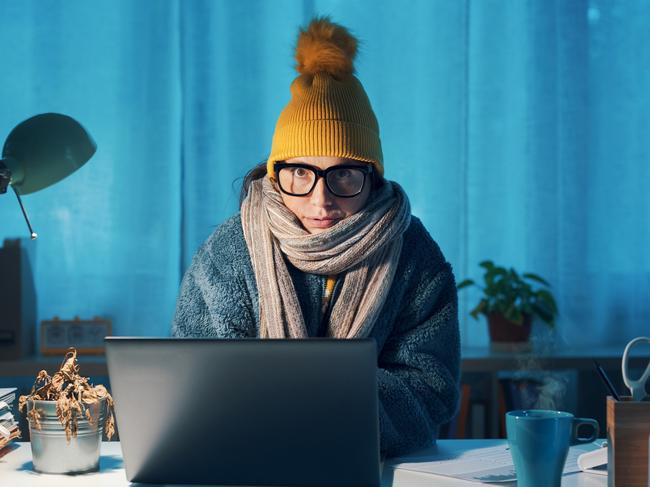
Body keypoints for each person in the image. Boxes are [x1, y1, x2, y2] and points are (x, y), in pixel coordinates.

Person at [171, 16, 460, 457]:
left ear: (374, 177)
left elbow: (430, 392)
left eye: (343, 174)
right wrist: (332, 393)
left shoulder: (415, 256)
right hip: (244, 463)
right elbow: (193, 377)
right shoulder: (230, 252)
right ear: (276, 174)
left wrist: (302, 399)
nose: (320, 199)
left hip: (372, 466)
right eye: (301, 173)